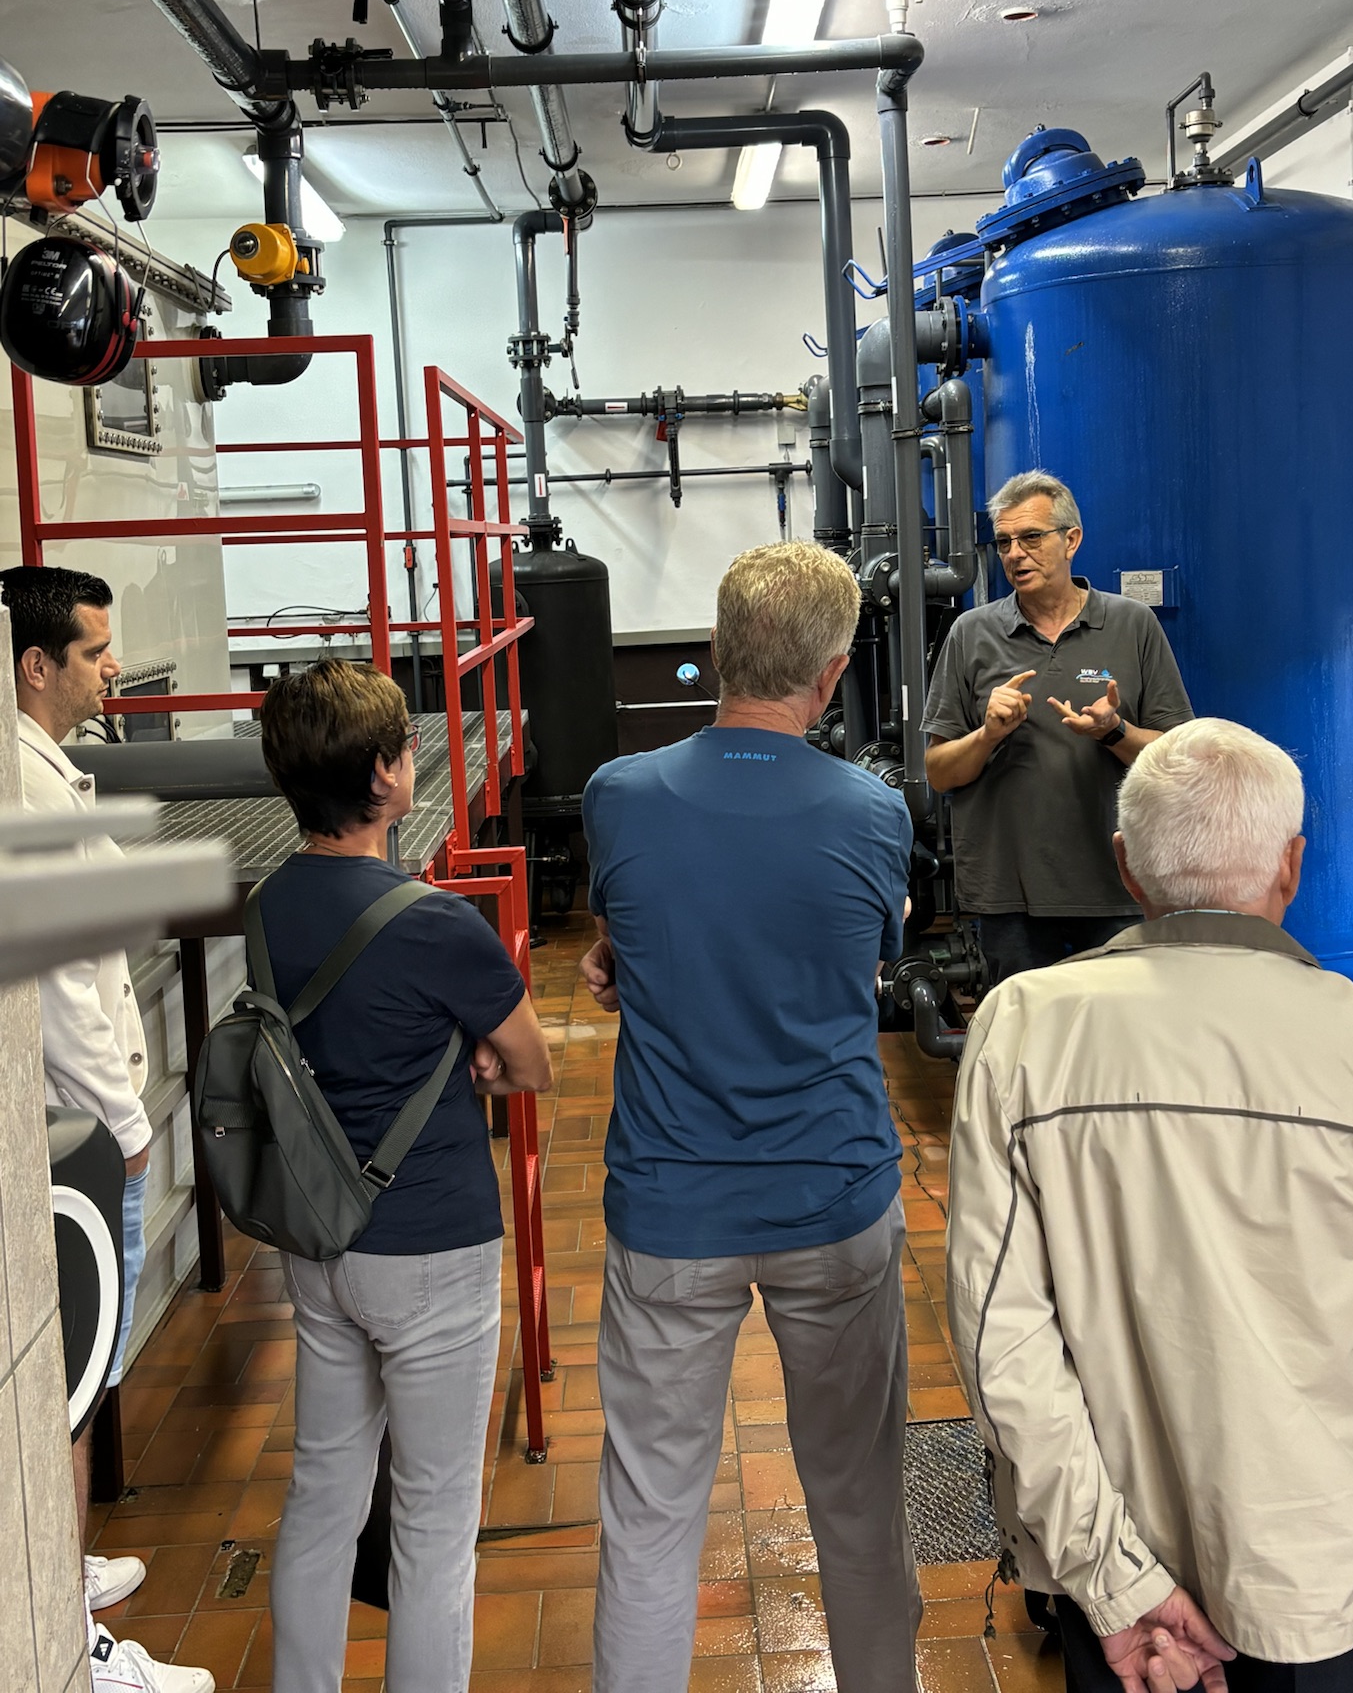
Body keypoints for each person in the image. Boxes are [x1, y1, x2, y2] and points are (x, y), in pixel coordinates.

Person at [947, 718, 1353, 1692]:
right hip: (1332, 1552)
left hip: (1121, 1558)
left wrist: (1115, 1576)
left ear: (1126, 865)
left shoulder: (1023, 1028)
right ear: (1293, 865)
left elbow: (997, 1335)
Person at [581, 541, 921, 1693]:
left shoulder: (619, 794)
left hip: (672, 1206)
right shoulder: (873, 810)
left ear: (718, 650)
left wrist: (621, 960)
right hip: (833, 1193)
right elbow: (857, 964)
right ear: (830, 676)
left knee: (649, 1514)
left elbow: (633, 935)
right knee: (861, 1500)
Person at [252, 659, 552, 1693]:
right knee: (432, 1518)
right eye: (405, 748)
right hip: (430, 1243)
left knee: (323, 1492)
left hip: (319, 1237)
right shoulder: (434, 921)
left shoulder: (267, 905)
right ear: (385, 775)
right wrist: (477, 1058)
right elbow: (530, 1063)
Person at [2, 564, 215, 1693]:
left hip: (77, 1125)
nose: (114, 666)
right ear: (36, 664)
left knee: (77, 1372)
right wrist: (129, 1127)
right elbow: (66, 986)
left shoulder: (46, 770)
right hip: (82, 1134)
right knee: (74, 1377)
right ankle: (70, 1641)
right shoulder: (27, 790)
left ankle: (62, 1570)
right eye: (93, 651)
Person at [923, 470, 1193, 984]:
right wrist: (988, 734)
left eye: (1031, 537)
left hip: (1118, 886)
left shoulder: (1133, 624)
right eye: (1004, 542)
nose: (1015, 554)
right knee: (1026, 1030)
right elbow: (938, 772)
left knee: (1120, 1026)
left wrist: (1114, 731)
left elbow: (1177, 758)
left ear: (1072, 540)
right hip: (1011, 897)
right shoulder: (971, 633)